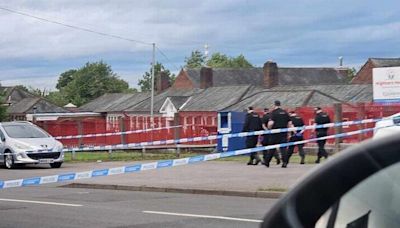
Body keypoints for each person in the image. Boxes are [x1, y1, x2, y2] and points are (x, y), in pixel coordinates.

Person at [265, 101, 291, 168]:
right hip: (283, 133)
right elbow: (289, 123)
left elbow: (270, 123)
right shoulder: (285, 112)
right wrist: (288, 132)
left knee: (272, 148)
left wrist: (269, 129)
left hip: (274, 133)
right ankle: (285, 162)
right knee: (283, 148)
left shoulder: (273, 113)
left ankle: (267, 162)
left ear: (274, 105)